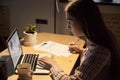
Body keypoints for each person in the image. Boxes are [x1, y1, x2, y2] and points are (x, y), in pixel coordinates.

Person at [39, 0, 119, 80]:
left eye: (69, 22)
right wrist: (82, 51)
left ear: (83, 21)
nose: (68, 26)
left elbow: (95, 56)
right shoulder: (95, 37)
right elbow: (92, 58)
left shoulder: (100, 51)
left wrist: (53, 65)